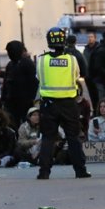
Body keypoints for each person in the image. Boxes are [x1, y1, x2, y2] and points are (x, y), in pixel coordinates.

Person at [35, 27, 91, 180]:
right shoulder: (72, 59)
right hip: (68, 103)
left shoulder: (42, 60)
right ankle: (80, 171)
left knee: (48, 138)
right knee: (73, 137)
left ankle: (44, 172)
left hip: (49, 103)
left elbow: (39, 78)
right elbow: (77, 77)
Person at [1, 40, 38, 125]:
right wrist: (3, 98)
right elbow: (6, 82)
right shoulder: (10, 64)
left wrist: (31, 98)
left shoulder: (27, 64)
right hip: (11, 102)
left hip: (24, 101)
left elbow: (33, 82)